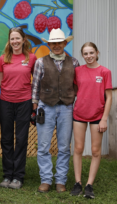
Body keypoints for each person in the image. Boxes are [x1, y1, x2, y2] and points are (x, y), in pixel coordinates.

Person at [32, 28, 79, 193]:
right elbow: (35, 85)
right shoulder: (40, 62)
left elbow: (77, 85)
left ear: (65, 43)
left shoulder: (74, 62)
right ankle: (46, 180)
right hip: (46, 107)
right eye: (53, 43)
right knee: (44, 146)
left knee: (64, 146)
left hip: (66, 107)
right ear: (49, 44)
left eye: (60, 42)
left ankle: (60, 180)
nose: (57, 45)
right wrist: (34, 105)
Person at [0, 27, 37, 189]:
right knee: (6, 139)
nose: (15, 42)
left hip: (24, 103)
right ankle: (7, 175)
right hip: (5, 102)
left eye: (18, 38)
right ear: (9, 41)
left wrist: (35, 103)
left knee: (21, 139)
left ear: (23, 40)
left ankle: (18, 176)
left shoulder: (31, 58)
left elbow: (36, 81)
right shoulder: (3, 58)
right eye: (12, 39)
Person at [70, 42, 112, 199]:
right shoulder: (78, 71)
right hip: (79, 114)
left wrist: (104, 119)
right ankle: (78, 182)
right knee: (78, 149)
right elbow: (75, 91)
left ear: (97, 52)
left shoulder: (105, 72)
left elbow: (109, 97)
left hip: (97, 116)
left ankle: (89, 185)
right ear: (82, 55)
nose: (88, 56)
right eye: (85, 54)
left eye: (91, 53)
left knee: (95, 151)